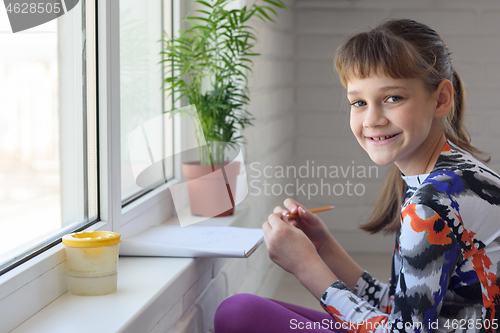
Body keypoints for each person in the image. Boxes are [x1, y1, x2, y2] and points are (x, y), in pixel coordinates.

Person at [214, 18, 500, 333]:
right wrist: (324, 249)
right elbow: (407, 309)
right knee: (249, 311)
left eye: (393, 98)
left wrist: (306, 267)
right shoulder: (453, 175)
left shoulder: (431, 204)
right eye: (359, 102)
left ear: (441, 99)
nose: (372, 119)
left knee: (239, 313)